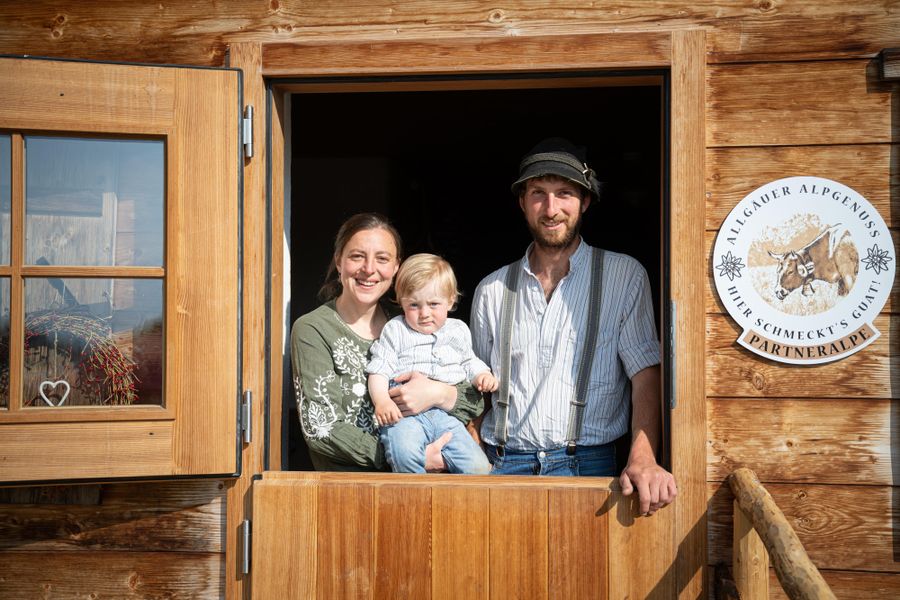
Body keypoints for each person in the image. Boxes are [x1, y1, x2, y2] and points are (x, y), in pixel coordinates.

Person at [470, 138, 677, 515]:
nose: (551, 209)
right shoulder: (491, 289)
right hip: (502, 464)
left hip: (590, 466)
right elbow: (474, 387)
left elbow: (645, 375)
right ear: (522, 202)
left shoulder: (624, 276)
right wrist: (464, 451)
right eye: (538, 193)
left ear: (584, 202)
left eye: (564, 193)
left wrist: (644, 458)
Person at [291, 213, 483, 471]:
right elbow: (321, 429)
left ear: (396, 268)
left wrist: (438, 393)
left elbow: (474, 402)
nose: (369, 269)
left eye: (382, 259)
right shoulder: (314, 329)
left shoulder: (412, 319)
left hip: (434, 481)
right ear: (339, 261)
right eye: (357, 256)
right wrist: (407, 456)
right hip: (349, 488)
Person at [367, 253, 495, 474]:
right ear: (401, 302)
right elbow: (379, 369)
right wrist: (382, 401)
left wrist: (482, 375)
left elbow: (468, 361)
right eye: (414, 305)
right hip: (405, 417)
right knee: (404, 455)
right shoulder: (396, 330)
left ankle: (460, 497)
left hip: (448, 418)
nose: (424, 313)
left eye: (434, 304)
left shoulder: (457, 330)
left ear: (450, 301)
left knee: (479, 467)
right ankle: (413, 495)